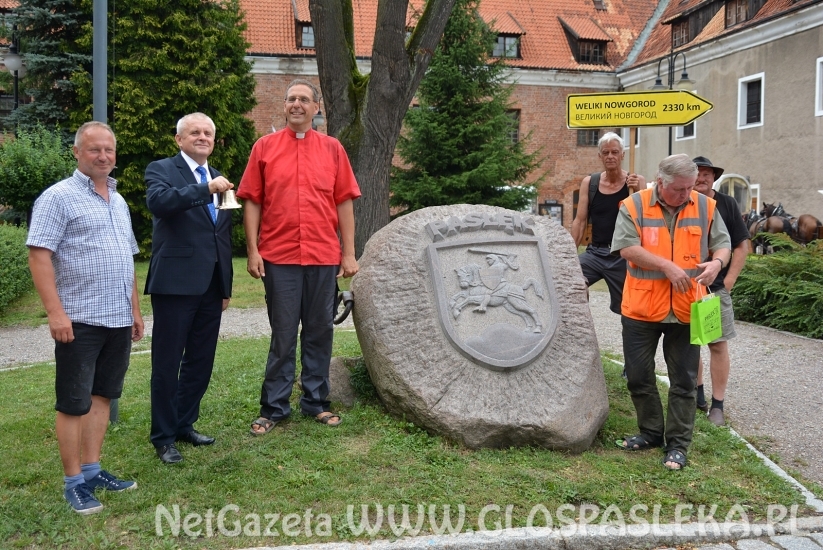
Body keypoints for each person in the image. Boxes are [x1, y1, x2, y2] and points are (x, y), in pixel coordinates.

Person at [27, 121, 144, 514]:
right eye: (94, 150)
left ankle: (93, 470)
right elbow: (39, 254)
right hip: (78, 318)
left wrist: (134, 310)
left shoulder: (119, 199)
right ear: (77, 152)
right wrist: (55, 312)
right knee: (74, 401)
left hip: (116, 317)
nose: (103, 156)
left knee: (102, 396)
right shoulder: (57, 198)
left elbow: (126, 257)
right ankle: (73, 481)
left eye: (109, 150)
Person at [237, 79, 361, 435]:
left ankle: (316, 402)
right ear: (285, 105)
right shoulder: (264, 148)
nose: (296, 104)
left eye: (304, 99)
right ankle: (273, 407)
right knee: (283, 334)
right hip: (279, 256)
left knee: (320, 331)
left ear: (316, 107)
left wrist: (349, 253)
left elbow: (344, 202)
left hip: (323, 255)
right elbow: (252, 201)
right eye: (291, 99)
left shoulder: (333, 149)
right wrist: (253, 250)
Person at [611, 154, 731, 470]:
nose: (686, 195)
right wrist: (666, 266)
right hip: (641, 308)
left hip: (687, 308)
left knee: (685, 381)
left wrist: (717, 262)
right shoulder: (634, 206)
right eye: (680, 189)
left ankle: (677, 445)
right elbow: (626, 248)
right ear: (660, 182)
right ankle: (650, 431)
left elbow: (723, 245)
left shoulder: (705, 206)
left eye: (690, 188)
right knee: (638, 375)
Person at [144, 113, 234, 464]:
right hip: (175, 283)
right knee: (167, 363)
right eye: (194, 132)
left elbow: (221, 235)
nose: (202, 137)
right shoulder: (162, 169)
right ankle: (163, 437)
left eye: (208, 133)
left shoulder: (217, 176)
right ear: (178, 139)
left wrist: (225, 284)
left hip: (211, 286)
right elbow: (160, 204)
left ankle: (184, 423)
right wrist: (204, 189)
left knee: (201, 360)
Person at [692, 156, 750, 427]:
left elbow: (741, 246)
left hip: (714, 288)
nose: (701, 178)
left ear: (713, 177)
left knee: (716, 343)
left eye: (707, 174)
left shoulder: (726, 203)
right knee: (689, 344)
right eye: (696, 173)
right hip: (685, 287)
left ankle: (717, 404)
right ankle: (697, 394)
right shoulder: (682, 201)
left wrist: (729, 281)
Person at [571, 132, 645, 314]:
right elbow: (580, 221)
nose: (610, 156)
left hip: (623, 254)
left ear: (622, 155)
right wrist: (569, 257)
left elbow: (646, 219)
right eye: (605, 153)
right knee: (570, 283)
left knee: (628, 307)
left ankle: (630, 340)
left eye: (614, 152)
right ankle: (580, 328)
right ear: (600, 156)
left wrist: (638, 190)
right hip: (595, 253)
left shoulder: (635, 182)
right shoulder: (590, 183)